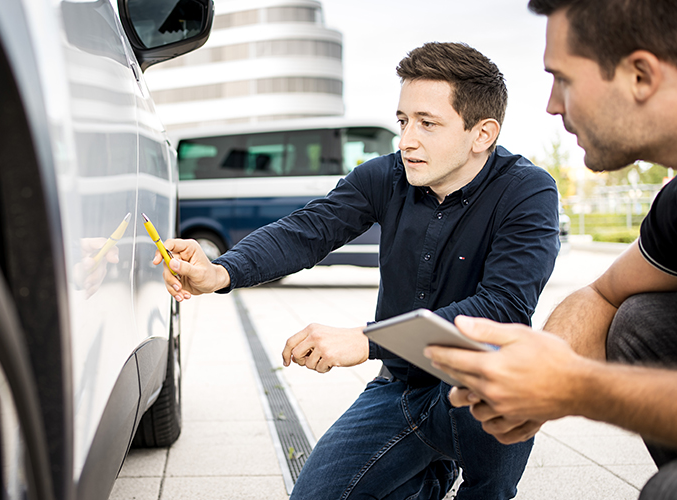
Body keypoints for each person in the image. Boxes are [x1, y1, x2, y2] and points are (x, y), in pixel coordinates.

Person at [156, 42, 561, 499]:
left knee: (493, 377)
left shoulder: (527, 191)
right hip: (401, 385)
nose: (407, 140)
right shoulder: (385, 176)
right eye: (403, 121)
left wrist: (367, 339)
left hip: (479, 390)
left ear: (482, 133)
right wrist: (220, 272)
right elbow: (307, 230)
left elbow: (502, 308)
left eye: (428, 124)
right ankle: (425, 478)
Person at [424, 1, 677, 498]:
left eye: (562, 79)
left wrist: (577, 387)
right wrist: (541, 373)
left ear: (640, 76)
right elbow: (604, 296)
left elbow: (581, 383)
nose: (552, 105)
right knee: (641, 317)